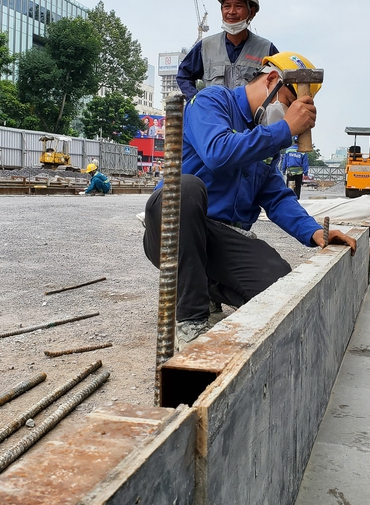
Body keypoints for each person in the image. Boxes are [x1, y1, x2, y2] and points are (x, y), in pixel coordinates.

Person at [144, 52, 357, 351]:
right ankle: (190, 319)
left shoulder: (266, 139)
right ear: (271, 79)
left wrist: (315, 232)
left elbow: (276, 196)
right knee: (187, 188)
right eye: (287, 102)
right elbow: (217, 152)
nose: (287, 113)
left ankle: (206, 289)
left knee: (278, 289)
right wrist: (284, 129)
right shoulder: (213, 102)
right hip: (172, 228)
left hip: (220, 239)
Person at [176, 0, 279, 101]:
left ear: (251, 12)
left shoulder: (266, 49)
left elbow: (281, 84)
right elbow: (184, 74)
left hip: (251, 120)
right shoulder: (206, 47)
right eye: (227, 6)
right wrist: (197, 101)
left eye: (238, 6)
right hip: (215, 119)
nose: (231, 11)